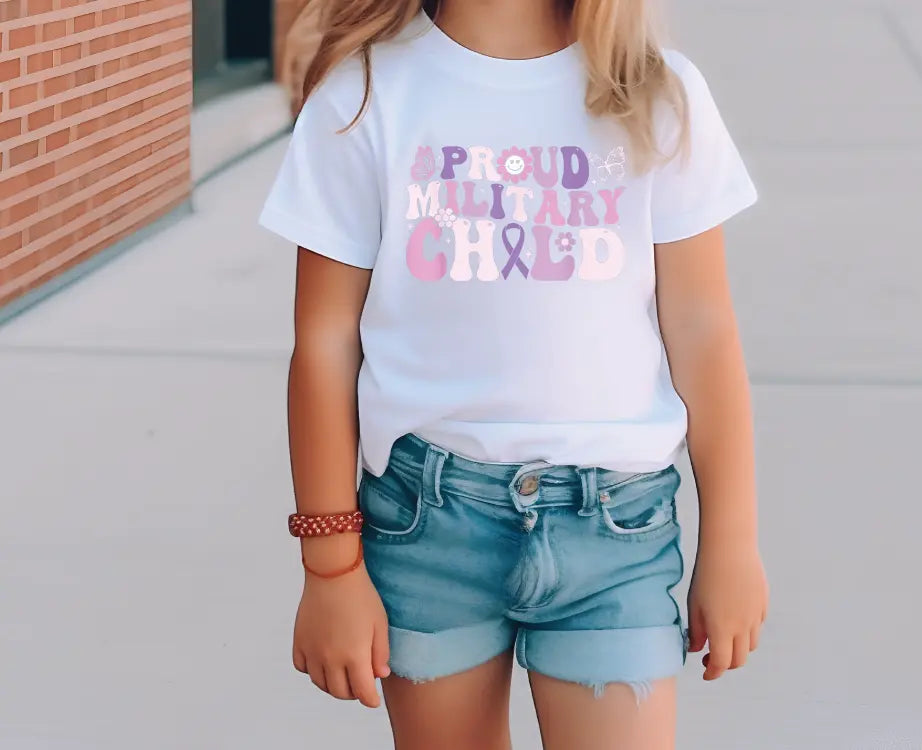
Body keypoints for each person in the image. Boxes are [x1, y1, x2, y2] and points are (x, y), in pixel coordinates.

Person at [259, 1, 768, 748]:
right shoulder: (365, 93)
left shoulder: (656, 92)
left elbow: (704, 331)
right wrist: (330, 568)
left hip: (614, 532)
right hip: (428, 526)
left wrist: (732, 542)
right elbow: (325, 340)